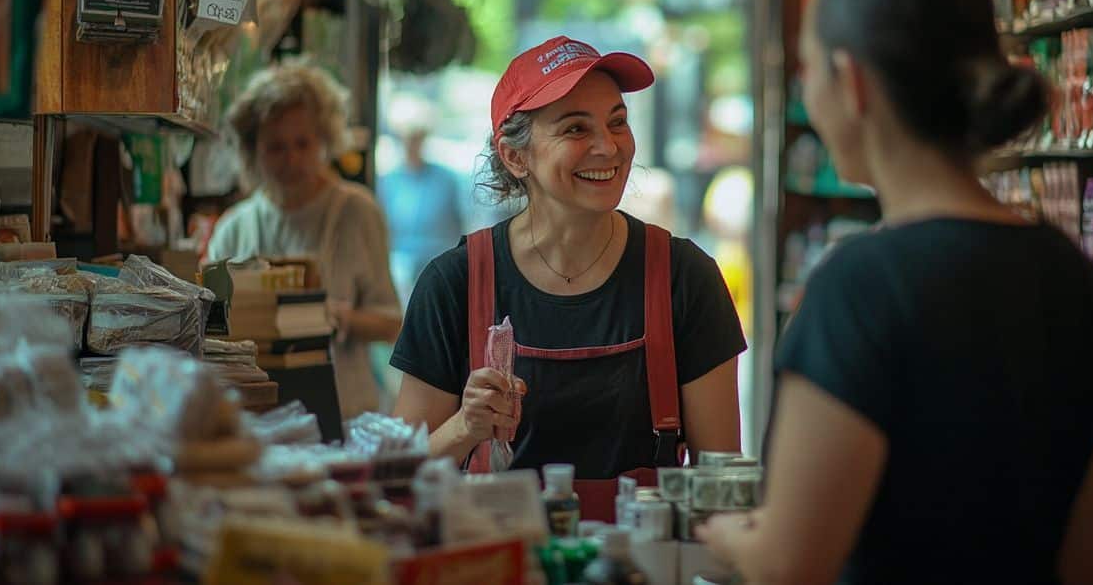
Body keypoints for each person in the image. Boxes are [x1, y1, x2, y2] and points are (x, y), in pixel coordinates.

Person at [697, 0, 1093, 585]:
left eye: (808, 70)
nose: (806, 92)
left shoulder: (859, 286)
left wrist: (727, 534)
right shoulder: (1077, 280)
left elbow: (789, 565)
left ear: (854, 83)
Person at [390, 36, 746, 521]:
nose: (608, 146)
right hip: (496, 566)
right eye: (576, 128)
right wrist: (465, 427)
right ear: (516, 157)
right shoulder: (454, 284)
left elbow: (719, 486)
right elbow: (395, 482)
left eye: (617, 122)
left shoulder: (685, 278)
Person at [206, 59, 402, 420]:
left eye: (302, 143)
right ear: (252, 151)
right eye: (275, 147)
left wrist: (339, 318)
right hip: (254, 417)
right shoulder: (234, 228)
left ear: (325, 141)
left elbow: (392, 323)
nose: (291, 158)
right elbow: (211, 330)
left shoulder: (356, 212)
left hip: (345, 416)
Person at [376, 126, 464, 308]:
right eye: (407, 140)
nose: (411, 146)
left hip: (437, 257)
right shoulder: (388, 181)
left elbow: (460, 223)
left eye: (416, 139)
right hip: (400, 262)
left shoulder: (445, 179)